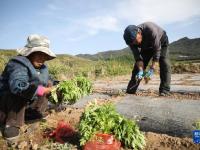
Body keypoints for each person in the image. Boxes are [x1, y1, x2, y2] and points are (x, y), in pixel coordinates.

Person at [0, 34, 56, 140]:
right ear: (30, 53)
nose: (42, 59)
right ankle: (11, 123)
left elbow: (51, 81)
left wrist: (58, 87)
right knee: (21, 91)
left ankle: (31, 114)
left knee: (49, 83)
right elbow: (17, 86)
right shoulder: (18, 63)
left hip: (26, 104)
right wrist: (43, 90)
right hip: (6, 105)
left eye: (44, 55)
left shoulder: (43, 68)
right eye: (39, 54)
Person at [123, 22, 171, 96]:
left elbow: (157, 51)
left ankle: (164, 90)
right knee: (137, 69)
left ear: (139, 33)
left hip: (161, 42)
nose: (135, 44)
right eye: (133, 43)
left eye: (136, 41)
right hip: (146, 47)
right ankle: (131, 89)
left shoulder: (150, 29)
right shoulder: (131, 42)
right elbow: (138, 59)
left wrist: (151, 71)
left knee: (164, 63)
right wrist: (142, 72)